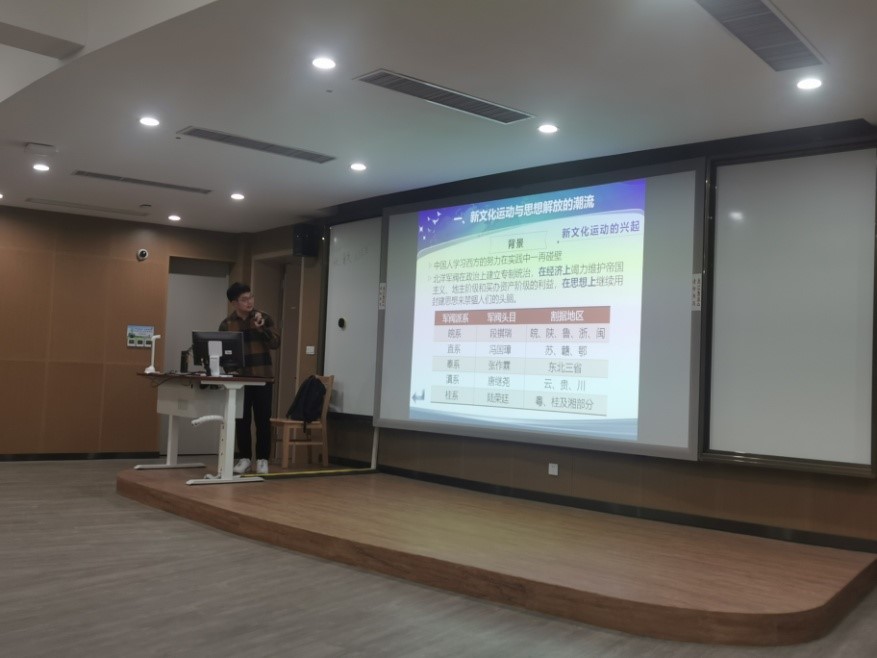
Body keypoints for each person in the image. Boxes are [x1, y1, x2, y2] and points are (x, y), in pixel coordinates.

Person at [220, 282, 281, 475]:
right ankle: (245, 458)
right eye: (244, 299)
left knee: (263, 420)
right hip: (240, 379)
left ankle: (263, 459)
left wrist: (261, 329)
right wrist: (230, 370)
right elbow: (223, 353)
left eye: (251, 297)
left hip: (263, 377)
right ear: (234, 303)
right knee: (242, 420)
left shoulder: (264, 318)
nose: (249, 302)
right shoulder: (227, 324)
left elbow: (276, 343)